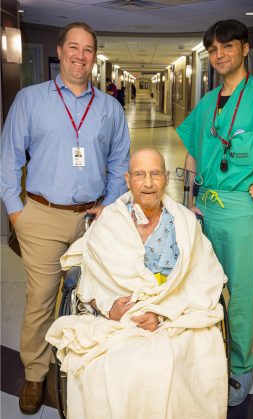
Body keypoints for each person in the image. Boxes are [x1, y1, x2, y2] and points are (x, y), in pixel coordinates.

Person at [0, 22, 130, 414]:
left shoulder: (110, 107)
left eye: (88, 49)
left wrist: (108, 205)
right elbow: (9, 162)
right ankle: (36, 376)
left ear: (94, 57)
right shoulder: (30, 99)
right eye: (73, 47)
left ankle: (85, 366)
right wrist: (18, 215)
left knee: (92, 297)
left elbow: (119, 162)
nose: (80, 55)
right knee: (40, 300)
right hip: (41, 216)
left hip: (93, 219)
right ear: (60, 51)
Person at [46, 148, 228, 419]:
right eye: (140, 175)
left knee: (181, 362)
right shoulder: (110, 222)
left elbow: (201, 279)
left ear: (166, 177)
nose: (148, 183)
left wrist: (161, 312)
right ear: (128, 179)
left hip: (171, 314)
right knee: (110, 366)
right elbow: (93, 279)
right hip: (116, 318)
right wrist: (109, 308)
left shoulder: (184, 222)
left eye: (155, 173)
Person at [176, 19, 253, 406]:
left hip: (241, 213)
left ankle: (240, 366)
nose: (219, 55)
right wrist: (187, 200)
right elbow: (193, 148)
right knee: (200, 288)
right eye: (213, 50)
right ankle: (207, 354)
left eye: (227, 46)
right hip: (203, 208)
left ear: (245, 48)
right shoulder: (207, 101)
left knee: (240, 294)